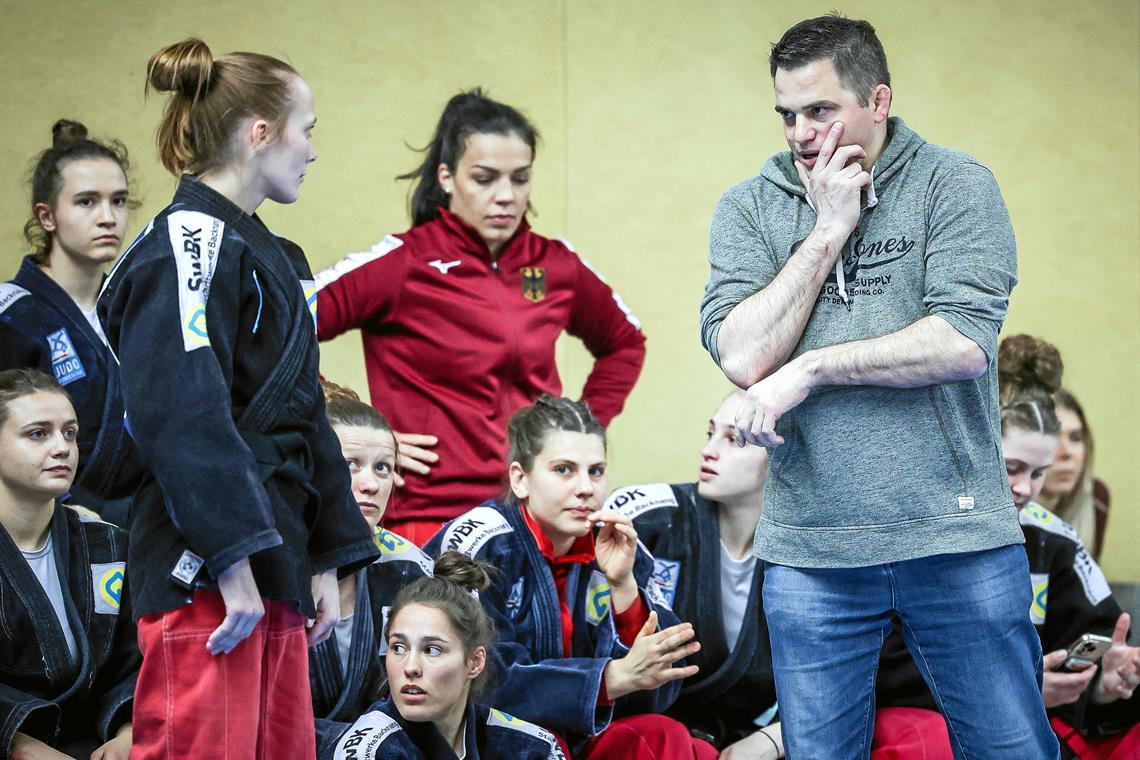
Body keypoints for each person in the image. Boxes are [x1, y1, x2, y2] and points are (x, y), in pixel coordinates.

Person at [699, 14, 1058, 758]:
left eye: (821, 110)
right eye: (787, 114)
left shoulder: (952, 185)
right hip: (812, 549)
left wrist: (811, 368)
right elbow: (740, 355)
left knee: (1012, 749)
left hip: (957, 538)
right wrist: (826, 231)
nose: (801, 132)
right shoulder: (753, 206)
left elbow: (962, 342)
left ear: (879, 101)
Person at [97, 38, 378, 758]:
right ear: (260, 133)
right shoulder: (188, 242)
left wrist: (326, 554)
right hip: (209, 570)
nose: (313, 151)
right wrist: (229, 559)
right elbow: (182, 412)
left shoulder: (271, 255)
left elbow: (306, 411)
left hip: (272, 558)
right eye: (306, 129)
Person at [315, 89, 647, 545]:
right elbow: (280, 326)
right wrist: (342, 424)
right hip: (430, 518)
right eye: (485, 178)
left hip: (531, 519)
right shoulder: (403, 263)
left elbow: (626, 342)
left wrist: (579, 431)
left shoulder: (555, 264)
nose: (506, 196)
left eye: (521, 178)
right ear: (447, 177)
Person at [873, 335, 1140, 760]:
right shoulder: (903, 532)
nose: (1024, 488)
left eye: (1039, 473)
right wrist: (1019, 690)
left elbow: (1092, 642)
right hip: (923, 719)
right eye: (1012, 467)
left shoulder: (1051, 539)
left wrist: (1106, 685)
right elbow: (883, 668)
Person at [424, 396, 714, 758]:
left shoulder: (616, 543)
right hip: (478, 739)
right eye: (564, 469)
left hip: (577, 734)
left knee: (664, 736)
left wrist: (624, 585)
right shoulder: (479, 543)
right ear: (520, 479)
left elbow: (662, 685)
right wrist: (611, 678)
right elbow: (478, 680)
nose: (586, 488)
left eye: (595, 471)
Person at [604, 390, 783, 757]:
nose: (709, 450)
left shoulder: (808, 549)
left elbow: (842, 677)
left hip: (752, 735)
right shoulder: (651, 520)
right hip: (657, 732)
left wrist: (773, 740)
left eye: (734, 440)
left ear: (781, 459)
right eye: (710, 434)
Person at [0, 120, 141, 524]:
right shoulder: (13, 315)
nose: (108, 217)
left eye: (118, 201)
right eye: (86, 202)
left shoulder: (135, 310)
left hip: (140, 528)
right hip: (46, 527)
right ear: (46, 216)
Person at [0, 368, 138, 760]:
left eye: (70, 433)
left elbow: (134, 660)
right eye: (38, 433)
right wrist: (21, 747)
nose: (61, 447)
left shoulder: (108, 546)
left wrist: (129, 732)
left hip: (97, 743)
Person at [317, 551, 569, 759]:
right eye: (398, 648)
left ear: (474, 662)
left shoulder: (529, 747)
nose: (410, 667)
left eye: (432, 650)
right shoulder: (367, 750)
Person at [310, 381, 434, 721]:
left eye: (383, 467)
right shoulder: (268, 569)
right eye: (351, 464)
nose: (371, 484)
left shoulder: (409, 568)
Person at [1038, 389, 1110, 560]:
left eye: (1076, 437)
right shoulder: (997, 509)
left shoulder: (1096, 498)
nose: (1066, 453)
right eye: (1052, 437)